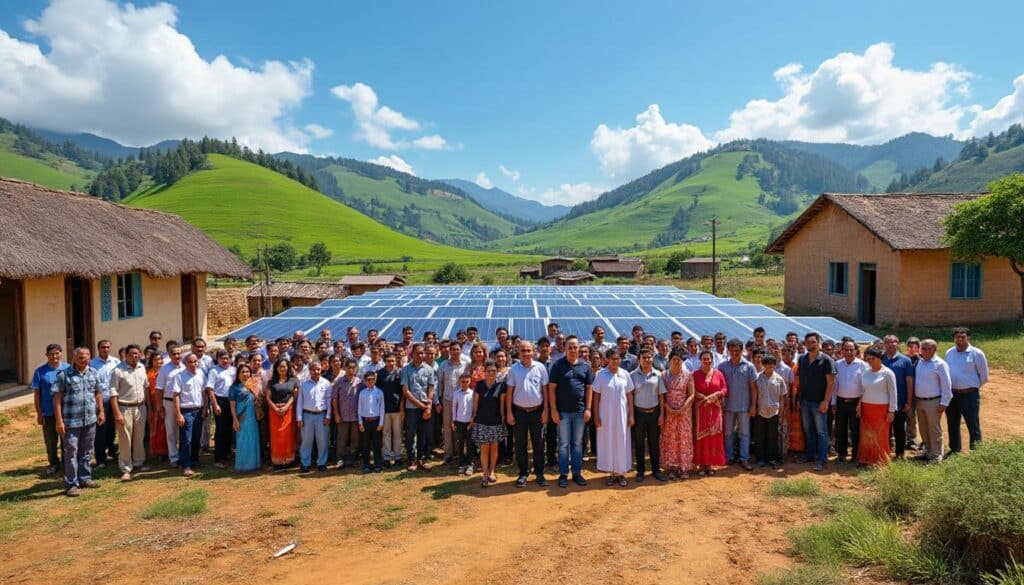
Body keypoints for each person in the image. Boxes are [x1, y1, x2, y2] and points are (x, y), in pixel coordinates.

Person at [53, 347, 105, 497]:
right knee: (71, 452)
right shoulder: (64, 375)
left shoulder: (93, 372)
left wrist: (101, 411)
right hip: (71, 422)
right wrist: (59, 421)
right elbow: (57, 399)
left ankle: (85, 478)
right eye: (81, 357)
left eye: (87, 356)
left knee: (86, 451)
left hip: (89, 420)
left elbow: (98, 393)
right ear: (74, 358)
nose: (84, 360)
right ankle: (71, 484)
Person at [547, 336, 593, 488]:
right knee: (564, 444)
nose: (573, 350)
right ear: (565, 348)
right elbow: (552, 389)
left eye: (575, 347)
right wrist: (553, 410)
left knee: (577, 445)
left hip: (580, 412)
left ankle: (577, 473)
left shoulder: (585, 367)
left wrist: (588, 409)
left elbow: (589, 389)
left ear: (579, 348)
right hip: (562, 413)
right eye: (570, 347)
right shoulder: (557, 365)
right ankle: (563, 474)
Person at [507, 341, 549, 488]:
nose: (525, 353)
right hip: (519, 413)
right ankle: (523, 474)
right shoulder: (513, 369)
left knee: (539, 444)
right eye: (522, 350)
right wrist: (509, 413)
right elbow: (510, 393)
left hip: (537, 412)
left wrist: (546, 411)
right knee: (520, 445)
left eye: (528, 350)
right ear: (519, 352)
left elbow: (545, 391)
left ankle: (539, 473)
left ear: (533, 352)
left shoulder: (541, 368)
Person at [593, 349, 635, 487]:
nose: (615, 361)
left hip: (622, 415)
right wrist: (596, 416)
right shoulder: (600, 375)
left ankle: (621, 472)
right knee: (608, 442)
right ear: (607, 360)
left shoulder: (625, 374)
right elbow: (596, 397)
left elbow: (629, 395)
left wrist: (631, 415)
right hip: (605, 415)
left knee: (622, 441)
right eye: (612, 359)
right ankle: (610, 473)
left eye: (617, 359)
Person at [944, 327, 989, 455]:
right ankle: (954, 449)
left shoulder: (977, 353)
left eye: (962, 337)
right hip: (952, 394)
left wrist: (971, 387)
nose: (959, 339)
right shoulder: (949, 352)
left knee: (972, 423)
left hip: (969, 395)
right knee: (952, 423)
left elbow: (984, 377)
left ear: (968, 338)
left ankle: (976, 453)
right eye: (957, 337)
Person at [109, 345, 150, 481]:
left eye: (137, 354)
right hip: (124, 408)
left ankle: (138, 463)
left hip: (141, 407)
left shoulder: (141, 368)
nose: (135, 356)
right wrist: (117, 413)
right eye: (132, 354)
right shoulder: (118, 371)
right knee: (125, 439)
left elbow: (146, 388)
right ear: (126, 355)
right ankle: (126, 468)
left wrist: (149, 408)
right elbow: (113, 393)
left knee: (139, 437)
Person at [798, 333, 836, 472]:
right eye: (808, 342)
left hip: (819, 402)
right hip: (805, 401)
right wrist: (799, 399)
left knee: (821, 432)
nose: (811, 344)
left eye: (813, 342)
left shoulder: (826, 360)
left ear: (818, 343)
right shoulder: (802, 359)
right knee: (808, 430)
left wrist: (826, 401)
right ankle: (810, 455)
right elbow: (801, 381)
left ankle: (822, 459)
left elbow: (831, 382)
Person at [717, 339, 757, 471]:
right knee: (728, 434)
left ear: (741, 350)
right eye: (732, 350)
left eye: (737, 350)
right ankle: (729, 457)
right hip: (728, 406)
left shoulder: (749, 366)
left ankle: (744, 458)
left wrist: (753, 405)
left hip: (744, 407)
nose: (734, 353)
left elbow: (753, 388)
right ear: (728, 351)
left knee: (744, 434)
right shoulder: (722, 367)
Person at [857, 348, 898, 467]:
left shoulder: (888, 373)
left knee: (880, 435)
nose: (870, 361)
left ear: (880, 358)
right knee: (866, 434)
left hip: (881, 409)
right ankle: (866, 458)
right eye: (868, 359)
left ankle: (880, 459)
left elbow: (893, 393)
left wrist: (891, 411)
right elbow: (863, 391)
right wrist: (859, 405)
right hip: (866, 408)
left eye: (873, 359)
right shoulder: (866, 372)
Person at [630, 349, 667, 482]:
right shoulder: (632, 375)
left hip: (654, 413)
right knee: (639, 444)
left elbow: (661, 396)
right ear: (638, 359)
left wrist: (662, 415)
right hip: (639, 414)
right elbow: (630, 397)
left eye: (649, 357)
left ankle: (656, 470)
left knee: (654, 443)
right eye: (644, 357)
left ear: (652, 359)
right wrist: (631, 416)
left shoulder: (658, 375)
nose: (647, 360)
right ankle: (640, 471)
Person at [914, 340, 952, 462]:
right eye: (922, 348)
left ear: (934, 350)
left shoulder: (940, 364)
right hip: (919, 401)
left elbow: (946, 385)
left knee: (934, 428)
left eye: (927, 349)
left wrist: (944, 403)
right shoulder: (919, 362)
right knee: (923, 428)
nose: (924, 351)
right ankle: (928, 451)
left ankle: (936, 455)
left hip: (933, 402)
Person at [170, 353, 206, 477]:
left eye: (196, 361)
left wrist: (205, 408)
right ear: (185, 363)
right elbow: (175, 396)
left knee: (196, 438)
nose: (194, 364)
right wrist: (178, 414)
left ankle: (195, 460)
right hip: (186, 411)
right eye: (191, 362)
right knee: (186, 440)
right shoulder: (179, 376)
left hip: (199, 410)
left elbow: (203, 393)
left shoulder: (201, 374)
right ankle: (186, 465)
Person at [32, 344, 66, 475]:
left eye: (57, 353)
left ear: (61, 354)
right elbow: (36, 394)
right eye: (51, 354)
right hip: (48, 412)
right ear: (47, 355)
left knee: (67, 440)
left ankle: (66, 463)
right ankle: (53, 463)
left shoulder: (68, 368)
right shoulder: (40, 372)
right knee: (51, 440)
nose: (54, 356)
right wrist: (39, 413)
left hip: (66, 412)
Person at [661, 349, 695, 479]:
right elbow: (661, 395)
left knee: (684, 439)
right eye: (674, 359)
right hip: (669, 413)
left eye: (679, 359)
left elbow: (691, 393)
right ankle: (672, 467)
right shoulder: (664, 375)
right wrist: (667, 407)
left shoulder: (687, 375)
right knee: (671, 439)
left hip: (684, 413)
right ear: (669, 360)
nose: (676, 361)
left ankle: (684, 467)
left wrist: (683, 408)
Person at [402, 344, 436, 471]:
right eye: (418, 353)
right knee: (410, 434)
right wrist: (421, 405)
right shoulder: (405, 370)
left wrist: (428, 405)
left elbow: (431, 388)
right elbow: (406, 391)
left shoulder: (429, 369)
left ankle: (423, 458)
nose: (421, 355)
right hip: (411, 408)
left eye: (422, 353)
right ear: (412, 354)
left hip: (425, 407)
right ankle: (411, 460)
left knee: (423, 434)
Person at [693, 350, 728, 476]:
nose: (706, 361)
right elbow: (691, 390)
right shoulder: (695, 374)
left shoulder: (719, 373)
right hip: (701, 409)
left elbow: (725, 389)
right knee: (701, 437)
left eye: (708, 359)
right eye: (704, 359)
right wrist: (701, 397)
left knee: (714, 436)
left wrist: (716, 394)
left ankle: (711, 464)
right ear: (700, 360)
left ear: (712, 360)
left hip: (715, 409)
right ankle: (702, 465)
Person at [473, 361, 507, 488]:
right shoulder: (479, 385)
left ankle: (492, 471)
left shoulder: (501, 386)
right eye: (489, 371)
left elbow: (502, 404)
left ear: (497, 372)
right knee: (484, 448)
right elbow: (475, 403)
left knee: (494, 448)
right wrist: (473, 417)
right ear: (484, 372)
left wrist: (503, 418)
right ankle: (485, 474)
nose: (491, 373)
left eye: (494, 370)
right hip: (482, 421)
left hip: (496, 421)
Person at [881, 335, 915, 460]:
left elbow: (909, 382)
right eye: (887, 342)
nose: (890, 344)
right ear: (884, 344)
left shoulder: (905, 360)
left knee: (899, 429)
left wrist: (908, 402)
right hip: (883, 402)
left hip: (900, 402)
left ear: (898, 343)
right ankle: (885, 452)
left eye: (893, 342)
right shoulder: (880, 359)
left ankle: (900, 454)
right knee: (885, 429)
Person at [833, 340, 866, 463]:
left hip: (855, 403)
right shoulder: (837, 364)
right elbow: (834, 385)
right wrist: (833, 402)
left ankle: (855, 456)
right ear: (842, 351)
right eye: (846, 349)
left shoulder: (863, 365)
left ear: (856, 351)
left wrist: (860, 404)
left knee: (855, 430)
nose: (849, 352)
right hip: (840, 402)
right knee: (840, 429)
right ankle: (841, 454)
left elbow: (865, 387)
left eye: (851, 349)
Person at [90, 339, 121, 468]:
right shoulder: (92, 363)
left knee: (112, 428)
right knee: (100, 430)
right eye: (103, 347)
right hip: (100, 400)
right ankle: (100, 459)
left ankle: (112, 452)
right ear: (98, 349)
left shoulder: (116, 362)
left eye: (108, 347)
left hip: (114, 399)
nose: (106, 349)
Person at [437, 341, 470, 462]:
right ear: (449, 351)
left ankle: (459, 451)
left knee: (459, 426)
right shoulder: (443, 365)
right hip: (447, 399)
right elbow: (439, 383)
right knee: (447, 427)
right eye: (453, 350)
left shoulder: (466, 364)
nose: (455, 351)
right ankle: (448, 453)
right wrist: (438, 401)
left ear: (460, 350)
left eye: (457, 349)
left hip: (462, 400)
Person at [297, 361, 332, 473]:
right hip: (307, 415)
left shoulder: (326, 383)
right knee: (306, 441)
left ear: (321, 370)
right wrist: (299, 418)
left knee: (322, 441)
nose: (316, 372)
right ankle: (305, 463)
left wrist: (328, 416)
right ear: (310, 371)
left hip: (322, 415)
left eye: (318, 369)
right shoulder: (304, 384)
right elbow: (300, 402)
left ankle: (321, 463)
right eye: (313, 369)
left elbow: (329, 401)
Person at [753, 355, 788, 468]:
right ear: (763, 365)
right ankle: (760, 459)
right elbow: (754, 395)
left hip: (774, 412)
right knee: (760, 435)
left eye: (772, 364)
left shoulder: (779, 379)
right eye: (767, 364)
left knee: (772, 436)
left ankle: (772, 459)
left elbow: (782, 398)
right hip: (760, 411)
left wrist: (781, 413)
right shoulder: (757, 378)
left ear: (774, 365)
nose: (769, 366)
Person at [266, 358, 299, 470]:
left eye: (284, 366)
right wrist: (275, 408)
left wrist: (286, 407)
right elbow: (268, 398)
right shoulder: (271, 382)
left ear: (288, 367)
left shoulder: (293, 380)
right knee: (276, 436)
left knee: (289, 435)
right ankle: (278, 461)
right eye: (280, 366)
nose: (282, 369)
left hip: (288, 410)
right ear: (276, 368)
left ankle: (289, 460)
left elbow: (294, 396)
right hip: (274, 411)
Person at [205, 351, 236, 467]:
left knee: (230, 428)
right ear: (217, 359)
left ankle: (228, 453)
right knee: (221, 430)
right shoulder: (214, 371)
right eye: (222, 358)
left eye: (227, 358)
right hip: (220, 401)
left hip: (232, 401)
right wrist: (215, 404)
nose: (225, 360)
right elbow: (210, 389)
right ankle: (218, 458)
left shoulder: (234, 370)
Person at [156, 344, 185, 467]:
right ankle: (173, 457)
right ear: (169, 355)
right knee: (171, 431)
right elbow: (159, 389)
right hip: (168, 402)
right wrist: (159, 406)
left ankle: (184, 455)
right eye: (174, 354)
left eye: (179, 353)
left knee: (184, 430)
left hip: (184, 402)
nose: (177, 356)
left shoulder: (185, 367)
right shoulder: (164, 369)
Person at [229, 364, 261, 473]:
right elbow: (232, 406)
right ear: (238, 374)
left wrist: (257, 399)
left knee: (253, 440)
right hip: (241, 418)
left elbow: (256, 400)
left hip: (252, 417)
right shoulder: (234, 388)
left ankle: (254, 464)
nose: (245, 374)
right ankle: (243, 465)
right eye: (243, 372)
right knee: (242, 441)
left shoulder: (253, 385)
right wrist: (235, 420)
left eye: (247, 372)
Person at [331, 359, 361, 466]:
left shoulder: (359, 382)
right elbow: (334, 399)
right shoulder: (339, 382)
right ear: (345, 368)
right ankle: (340, 459)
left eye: (353, 367)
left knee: (355, 439)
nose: (351, 369)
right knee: (341, 439)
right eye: (349, 367)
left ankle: (352, 459)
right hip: (342, 415)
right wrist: (336, 414)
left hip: (356, 416)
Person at [378, 354, 405, 466]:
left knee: (397, 433)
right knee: (386, 433)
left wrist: (402, 407)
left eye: (393, 361)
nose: (391, 363)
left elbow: (403, 391)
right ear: (384, 361)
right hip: (384, 408)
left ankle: (398, 457)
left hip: (397, 408)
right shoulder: (379, 374)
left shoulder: (400, 373)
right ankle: (386, 457)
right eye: (388, 361)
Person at [357, 370, 385, 473]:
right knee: (366, 445)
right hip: (365, 421)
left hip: (376, 421)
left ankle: (378, 464)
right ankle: (366, 465)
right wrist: (360, 423)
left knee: (377, 445)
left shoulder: (379, 392)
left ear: (375, 380)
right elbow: (359, 409)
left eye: (373, 379)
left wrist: (381, 423)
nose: (371, 381)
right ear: (365, 381)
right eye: (368, 379)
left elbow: (382, 408)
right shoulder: (362, 393)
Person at [451, 372, 476, 476]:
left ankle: (470, 464)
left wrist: (473, 420)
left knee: (470, 444)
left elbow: (475, 408)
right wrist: (453, 420)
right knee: (460, 444)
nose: (464, 384)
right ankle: (462, 464)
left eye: (467, 382)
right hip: (459, 422)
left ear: (470, 382)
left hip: (469, 422)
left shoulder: (473, 393)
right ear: (459, 382)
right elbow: (454, 408)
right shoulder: (456, 393)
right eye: (462, 382)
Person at [145, 352, 168, 460]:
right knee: (156, 428)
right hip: (154, 404)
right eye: (156, 359)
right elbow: (148, 391)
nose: (158, 362)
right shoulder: (148, 374)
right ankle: (158, 451)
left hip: (165, 402)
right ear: (152, 361)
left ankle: (167, 450)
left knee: (166, 428)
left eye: (160, 359)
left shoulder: (166, 372)